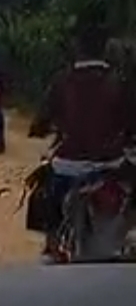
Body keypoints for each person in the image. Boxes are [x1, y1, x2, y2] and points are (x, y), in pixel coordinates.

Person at [27, 28, 132, 255]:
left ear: (76, 49)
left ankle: (52, 245)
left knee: (43, 193)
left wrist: (40, 128)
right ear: (105, 50)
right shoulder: (119, 82)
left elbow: (41, 121)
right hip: (112, 165)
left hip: (69, 167)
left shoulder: (61, 81)